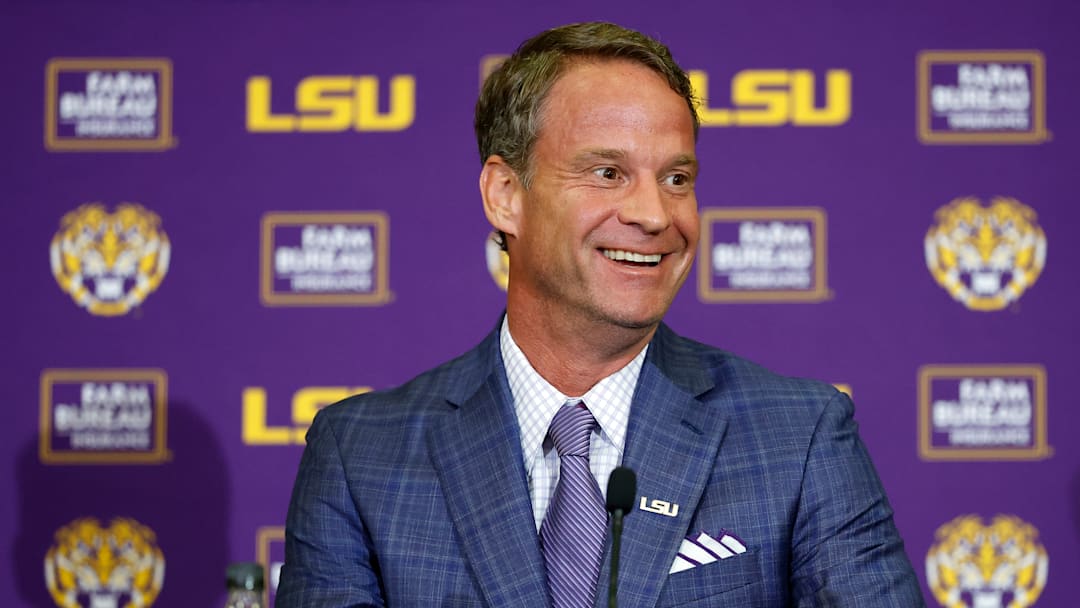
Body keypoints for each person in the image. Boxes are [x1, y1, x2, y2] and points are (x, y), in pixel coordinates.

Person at [277, 21, 924, 607]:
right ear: (506, 195)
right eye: (609, 173)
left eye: (676, 179)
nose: (654, 214)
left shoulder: (800, 437)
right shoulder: (361, 456)